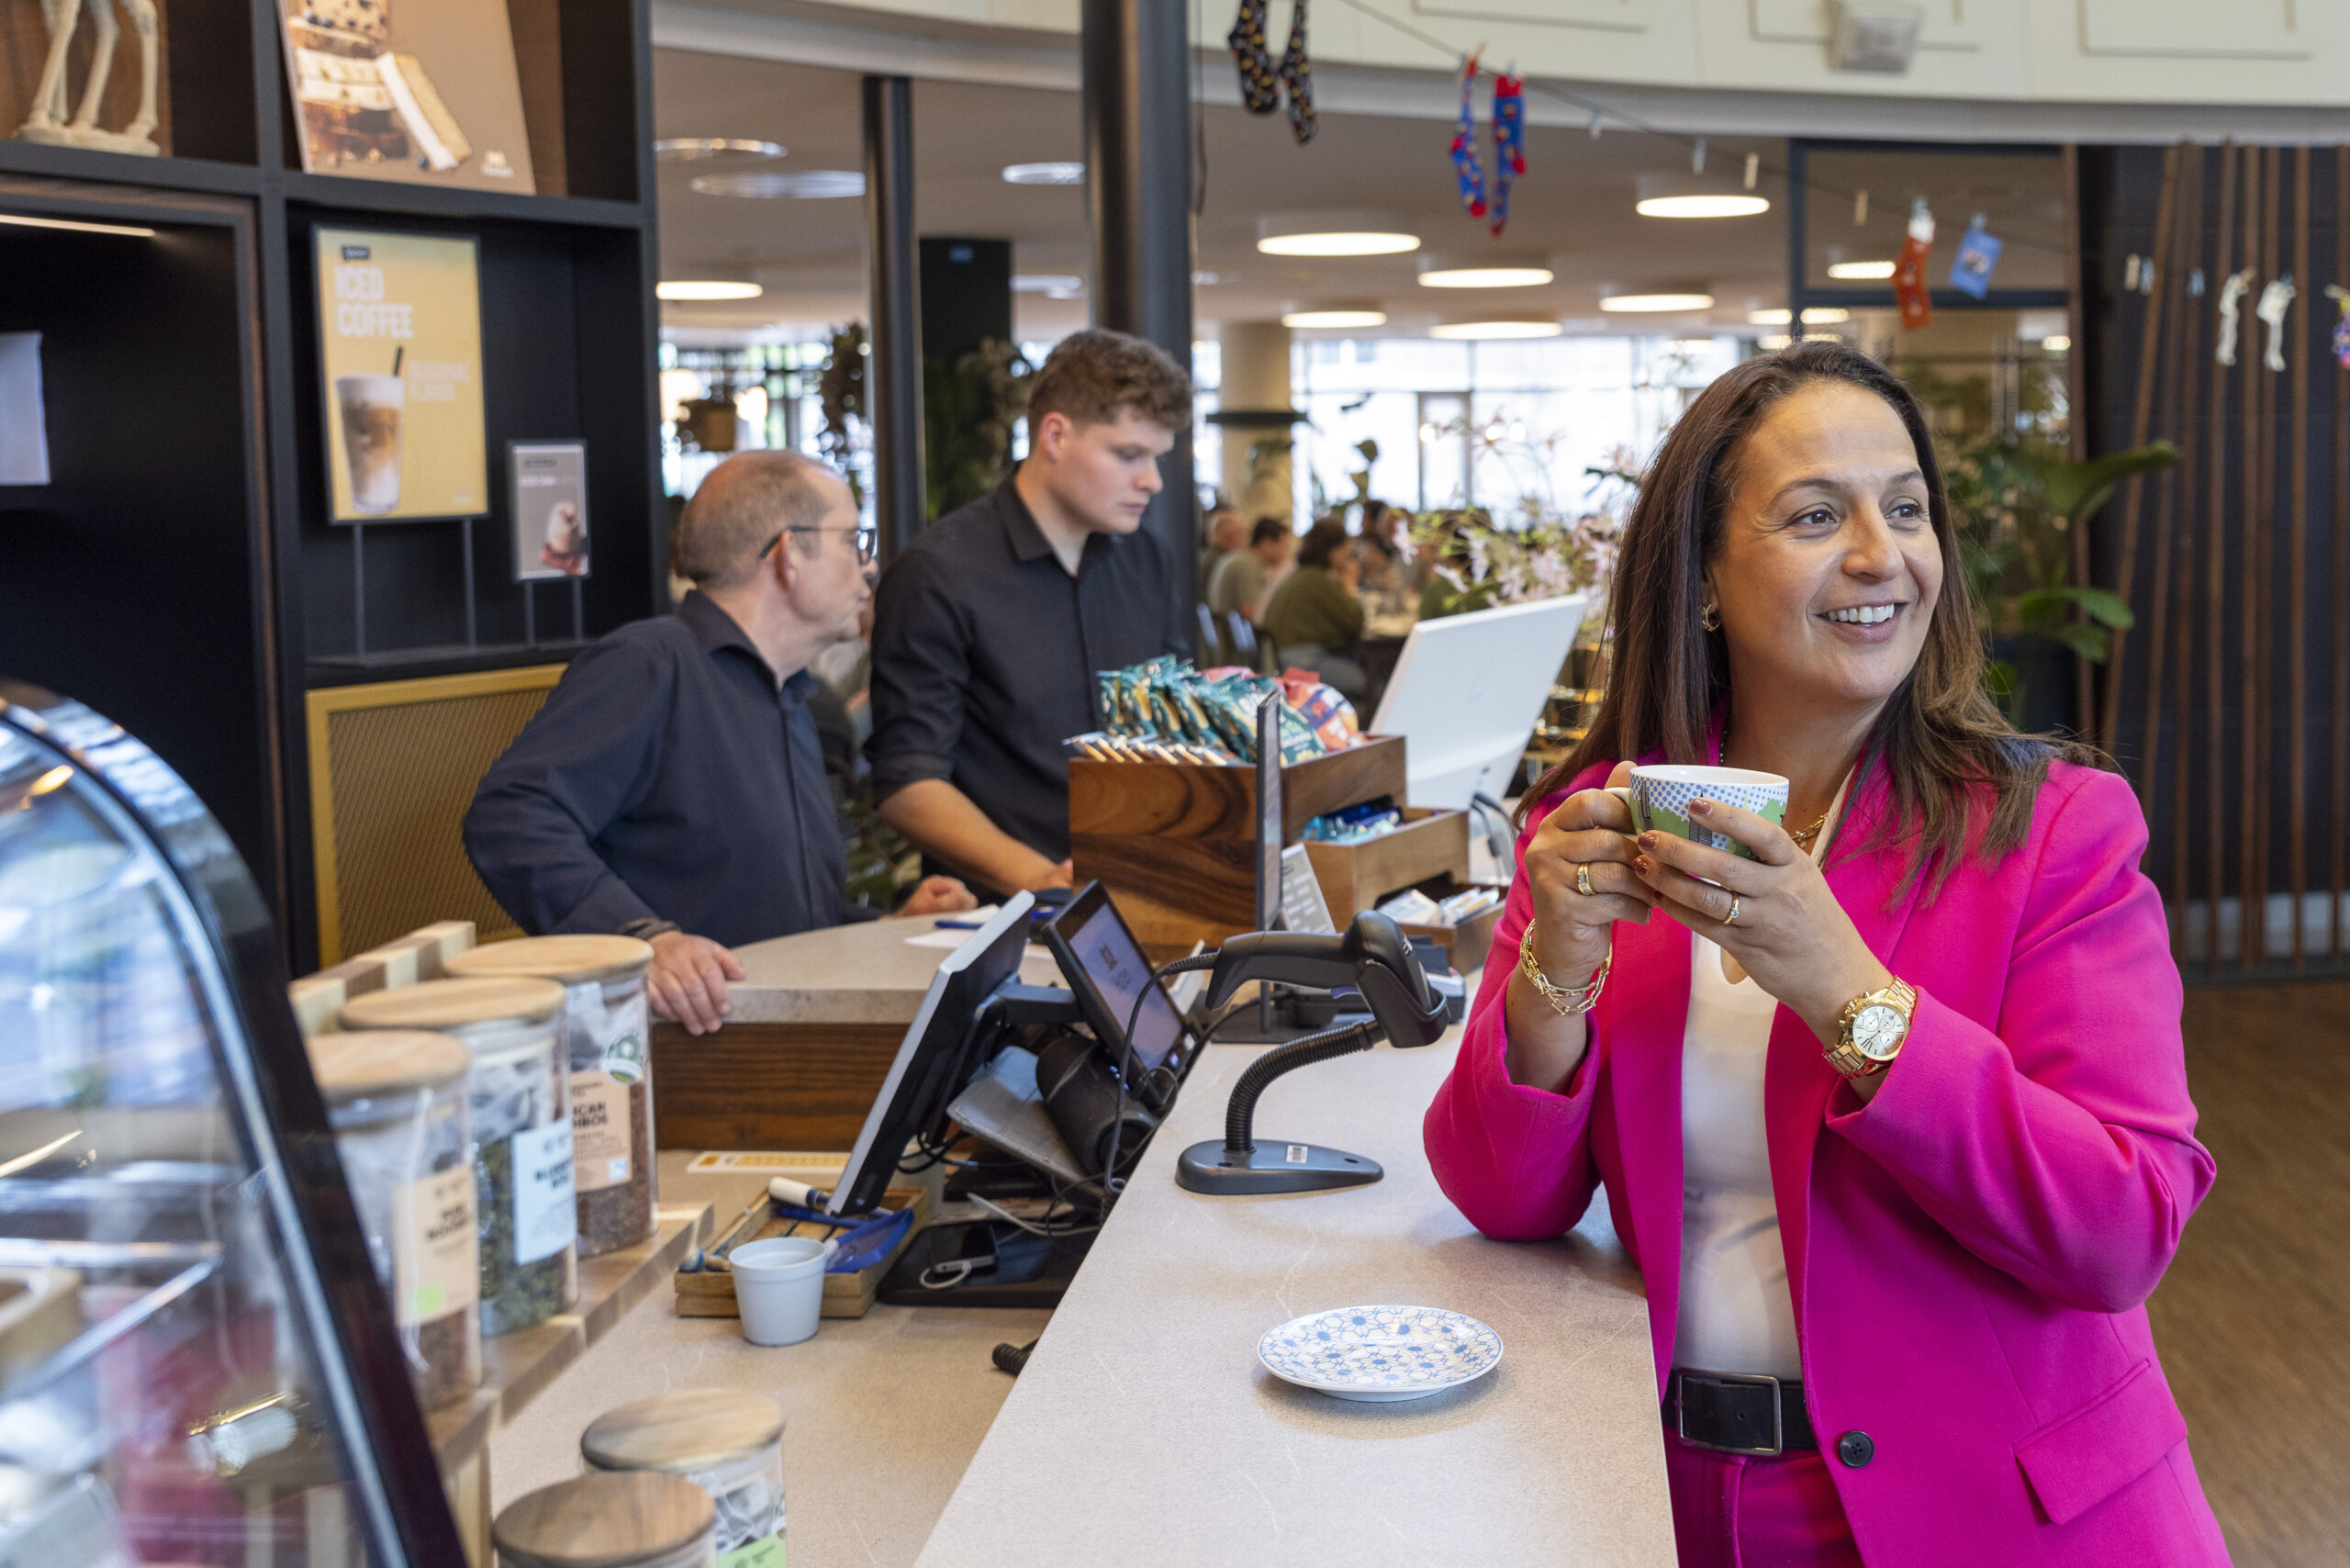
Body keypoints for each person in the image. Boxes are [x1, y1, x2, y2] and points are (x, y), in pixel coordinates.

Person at [1423, 342, 2227, 1567]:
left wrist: (1849, 992)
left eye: (1907, 510)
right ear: (1702, 573)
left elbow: (2123, 1227)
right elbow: (1502, 1197)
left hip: (2003, 1519)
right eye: (1815, 515)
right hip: (1680, 1500)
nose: (1880, 555)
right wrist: (1555, 976)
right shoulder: (1603, 817)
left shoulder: (2055, 827)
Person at [465, 452, 974, 1036]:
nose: (869, 567)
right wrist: (642, 938)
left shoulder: (796, 700)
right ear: (788, 554)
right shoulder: (654, 663)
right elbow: (509, 815)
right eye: (852, 540)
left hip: (776, 1039)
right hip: (680, 1059)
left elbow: (767, 910)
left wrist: (886, 925)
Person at [867, 328, 1193, 898]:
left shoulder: (1146, 558)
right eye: (1128, 455)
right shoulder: (938, 574)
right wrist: (1044, 880)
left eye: (1157, 457)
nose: (1152, 480)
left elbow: (1174, 726)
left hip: (1150, 891)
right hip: (1002, 917)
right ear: (1055, 435)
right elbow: (909, 784)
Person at [1261, 517, 1369, 704]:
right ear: (1333, 550)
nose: (1348, 553)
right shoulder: (1317, 580)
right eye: (1345, 547)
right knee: (1372, 682)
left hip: (1286, 659)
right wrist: (1350, 586)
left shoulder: (1301, 575)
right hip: (1305, 664)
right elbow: (1355, 621)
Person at [1206, 515, 1291, 628]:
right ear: (1267, 543)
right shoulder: (1246, 565)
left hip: (1224, 637)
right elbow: (1251, 614)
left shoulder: (1239, 557)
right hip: (1235, 640)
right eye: (1283, 547)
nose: (1285, 554)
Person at [1197, 505, 1247, 588]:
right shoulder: (1220, 561)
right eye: (1241, 533)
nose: (1245, 540)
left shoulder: (1209, 556)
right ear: (1231, 536)